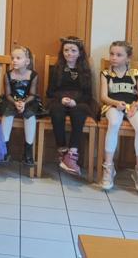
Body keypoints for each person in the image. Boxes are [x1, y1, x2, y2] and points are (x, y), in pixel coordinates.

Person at [98, 41, 138, 193]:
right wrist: (115, 103)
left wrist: (136, 105)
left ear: (128, 58)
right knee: (114, 123)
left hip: (131, 106)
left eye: (119, 55)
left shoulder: (136, 74)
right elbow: (103, 96)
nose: (114, 57)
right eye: (112, 54)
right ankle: (108, 169)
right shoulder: (106, 74)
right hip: (113, 106)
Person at [47, 36, 94, 177]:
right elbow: (50, 92)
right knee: (56, 111)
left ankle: (72, 153)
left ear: (80, 53)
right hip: (59, 100)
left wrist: (75, 101)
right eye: (66, 50)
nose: (69, 53)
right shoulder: (56, 69)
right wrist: (61, 99)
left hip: (79, 101)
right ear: (62, 52)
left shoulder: (85, 71)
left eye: (73, 50)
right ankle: (62, 150)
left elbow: (88, 94)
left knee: (79, 113)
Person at [0, 45, 40, 167]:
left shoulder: (33, 75)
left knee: (30, 115)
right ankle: (4, 150)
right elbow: (7, 94)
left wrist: (24, 103)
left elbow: (32, 94)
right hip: (11, 100)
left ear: (27, 61)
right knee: (7, 113)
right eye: (12, 58)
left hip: (28, 101)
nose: (14, 60)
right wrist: (16, 103)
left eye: (18, 58)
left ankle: (28, 152)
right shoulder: (8, 75)